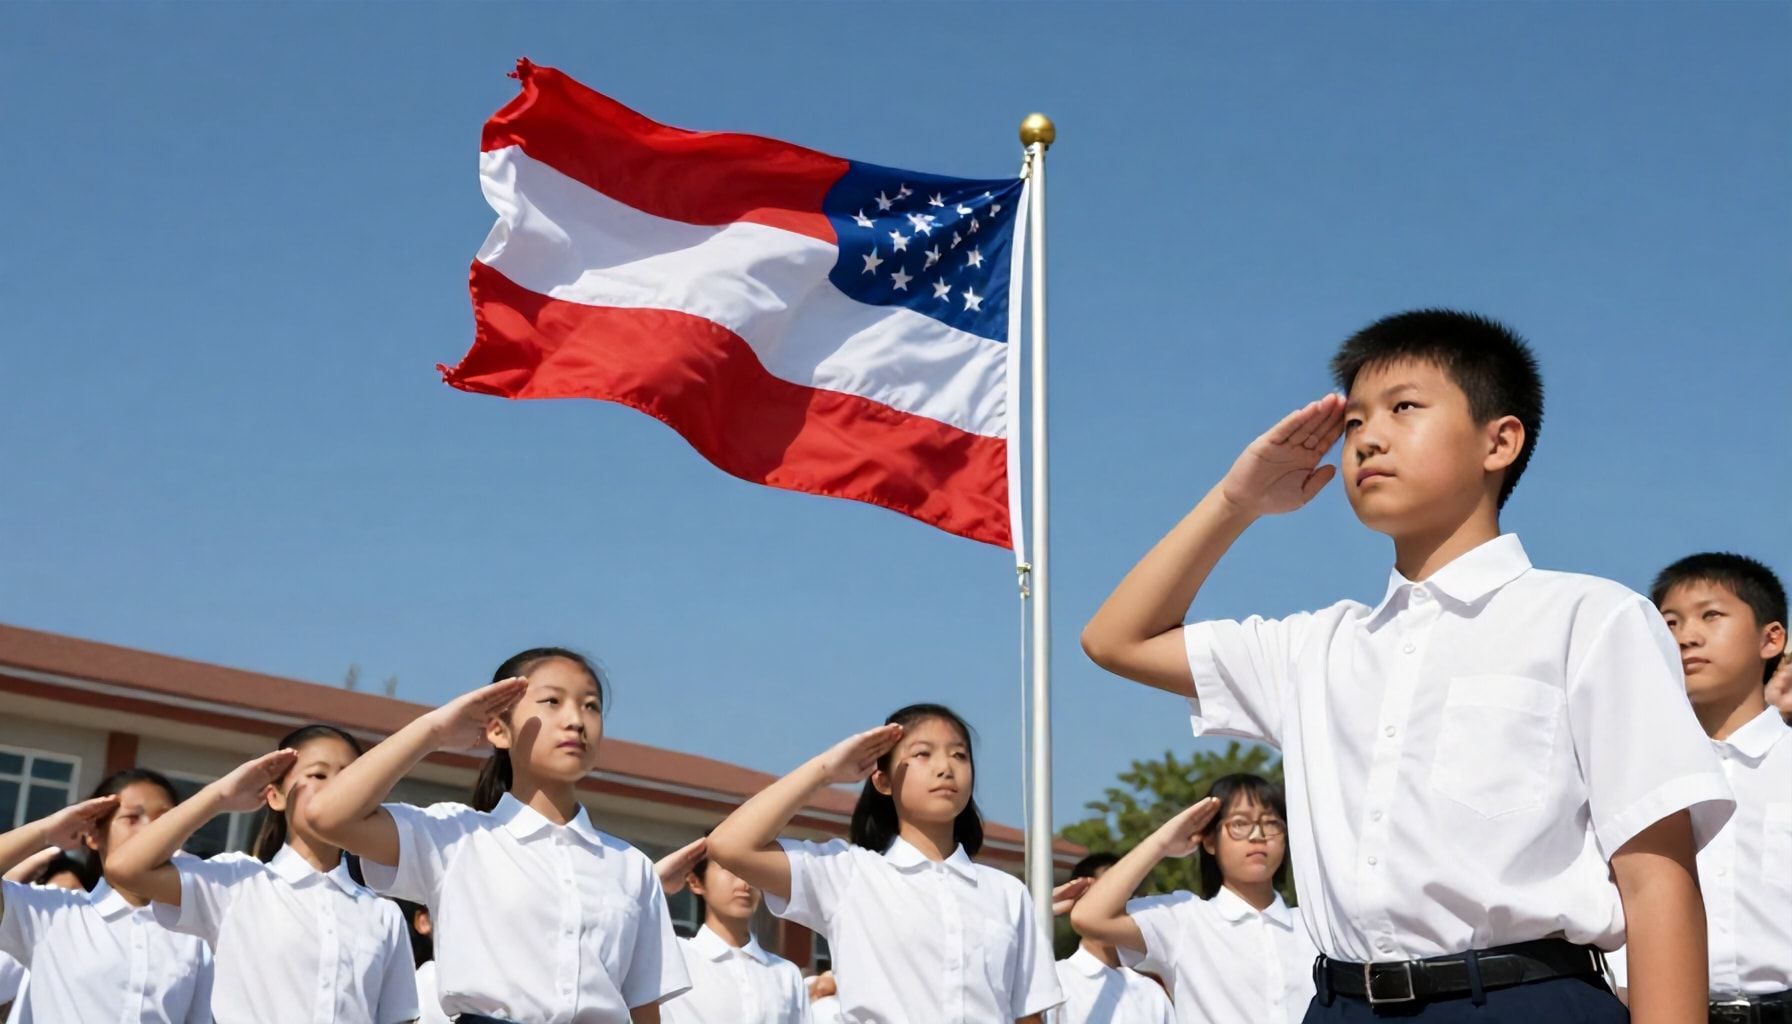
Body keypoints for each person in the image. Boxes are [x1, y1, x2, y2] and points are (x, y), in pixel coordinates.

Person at [1080, 310, 1732, 1022]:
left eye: (1404, 408)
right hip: (1339, 1004)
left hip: (1522, 999)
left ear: (1499, 440)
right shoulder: (1316, 647)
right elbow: (1118, 639)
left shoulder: (1589, 618)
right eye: (1354, 422)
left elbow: (1656, 879)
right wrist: (1238, 502)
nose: (1369, 439)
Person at [302, 646, 689, 1023]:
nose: (576, 719)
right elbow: (327, 815)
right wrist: (434, 730)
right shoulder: (457, 838)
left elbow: (643, 1010)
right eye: (553, 701)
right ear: (499, 731)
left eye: (591, 705)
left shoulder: (631, 867)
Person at [708, 703, 1063, 1023]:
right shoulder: (848, 875)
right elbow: (729, 845)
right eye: (923, 754)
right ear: (883, 780)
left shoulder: (1005, 892)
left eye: (959, 755)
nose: (945, 768)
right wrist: (826, 770)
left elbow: (1027, 1015)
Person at [107, 724, 419, 1023]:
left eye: (350, 778)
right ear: (275, 796)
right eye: (318, 774)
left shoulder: (383, 914)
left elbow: (397, 1018)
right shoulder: (238, 884)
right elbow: (127, 868)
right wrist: (219, 797)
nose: (336, 788)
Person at [1651, 553, 1790, 1016]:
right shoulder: (1637, 773)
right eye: (1669, 623)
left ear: (1771, 639)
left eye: (1712, 615)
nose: (1687, 636)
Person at [1073, 776, 1314, 1023]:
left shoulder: (1316, 928)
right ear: (1209, 841)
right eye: (1240, 824)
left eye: (1271, 824)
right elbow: (1088, 917)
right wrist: (1162, 843)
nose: (1257, 835)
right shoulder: (1185, 920)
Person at [0, 770, 214, 1022]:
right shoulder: (52, 914)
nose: (151, 829)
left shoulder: (193, 934)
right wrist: (46, 830)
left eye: (165, 819)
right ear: (94, 836)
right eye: (132, 818)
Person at [660, 832, 810, 1024]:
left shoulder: (785, 974)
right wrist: (656, 880)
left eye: (751, 872)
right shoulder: (673, 957)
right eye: (729, 869)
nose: (744, 884)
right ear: (696, 882)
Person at [1053, 851, 1174, 1024]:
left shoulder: (1151, 991)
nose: (1117, 904)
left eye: (1126, 895)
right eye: (1106, 896)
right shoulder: (1056, 980)